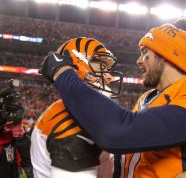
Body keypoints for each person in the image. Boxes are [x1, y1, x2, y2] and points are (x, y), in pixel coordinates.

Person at [38, 19, 186, 177]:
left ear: (166, 54)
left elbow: (119, 132)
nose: (138, 61)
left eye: (145, 52)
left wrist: (63, 72)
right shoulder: (146, 98)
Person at [30, 37, 124, 178]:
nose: (110, 77)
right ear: (78, 67)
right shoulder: (70, 121)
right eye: (102, 68)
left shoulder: (80, 112)